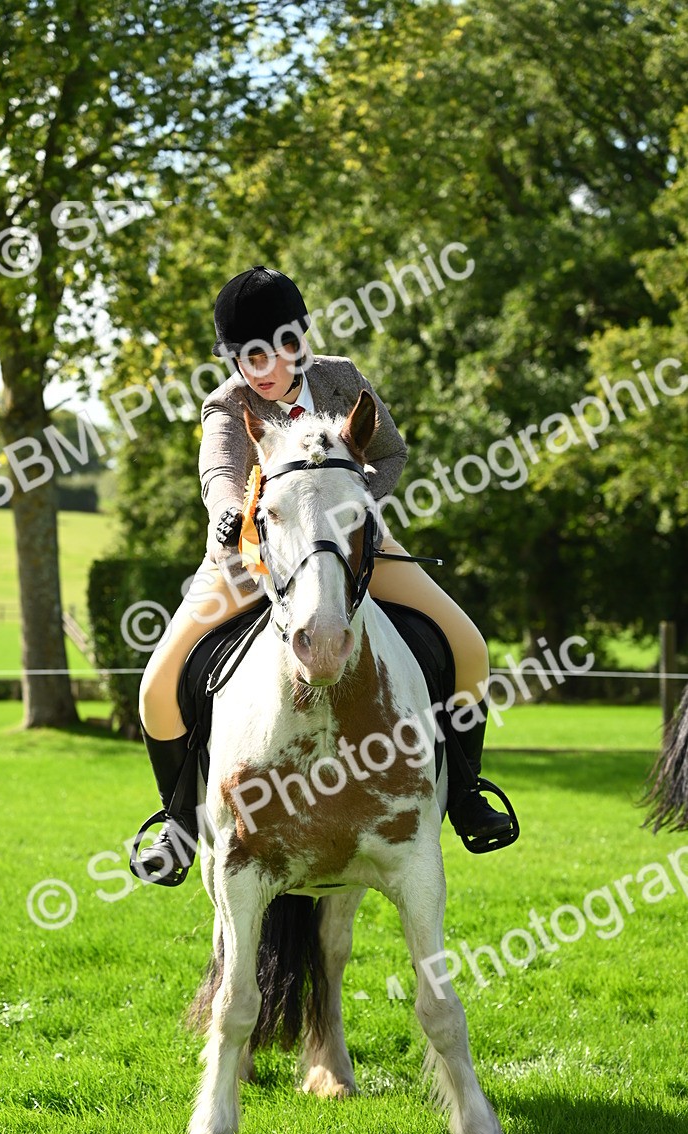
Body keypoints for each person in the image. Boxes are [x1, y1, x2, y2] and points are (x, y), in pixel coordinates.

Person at [136, 266, 514, 885]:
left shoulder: (342, 380)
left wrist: (358, 496)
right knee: (156, 686)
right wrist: (232, 511)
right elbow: (220, 472)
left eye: (268, 351)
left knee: (469, 648)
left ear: (298, 341)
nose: (256, 368)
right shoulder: (228, 404)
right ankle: (178, 823)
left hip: (351, 552)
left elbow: (391, 453)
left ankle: (467, 792)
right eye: (241, 356)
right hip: (248, 557)